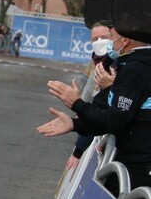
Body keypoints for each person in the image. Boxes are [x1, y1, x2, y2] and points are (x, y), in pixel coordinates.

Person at [39, 30, 151, 190]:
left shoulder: (136, 69)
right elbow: (113, 117)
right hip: (133, 163)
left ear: (125, 40)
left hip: (137, 168)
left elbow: (115, 121)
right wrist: (74, 124)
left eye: (110, 37)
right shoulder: (132, 65)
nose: (107, 43)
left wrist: (77, 103)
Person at [66, 21, 118, 169]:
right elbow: (90, 95)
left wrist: (78, 151)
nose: (99, 42)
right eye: (95, 39)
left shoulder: (115, 67)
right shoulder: (97, 63)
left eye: (104, 37)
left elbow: (100, 113)